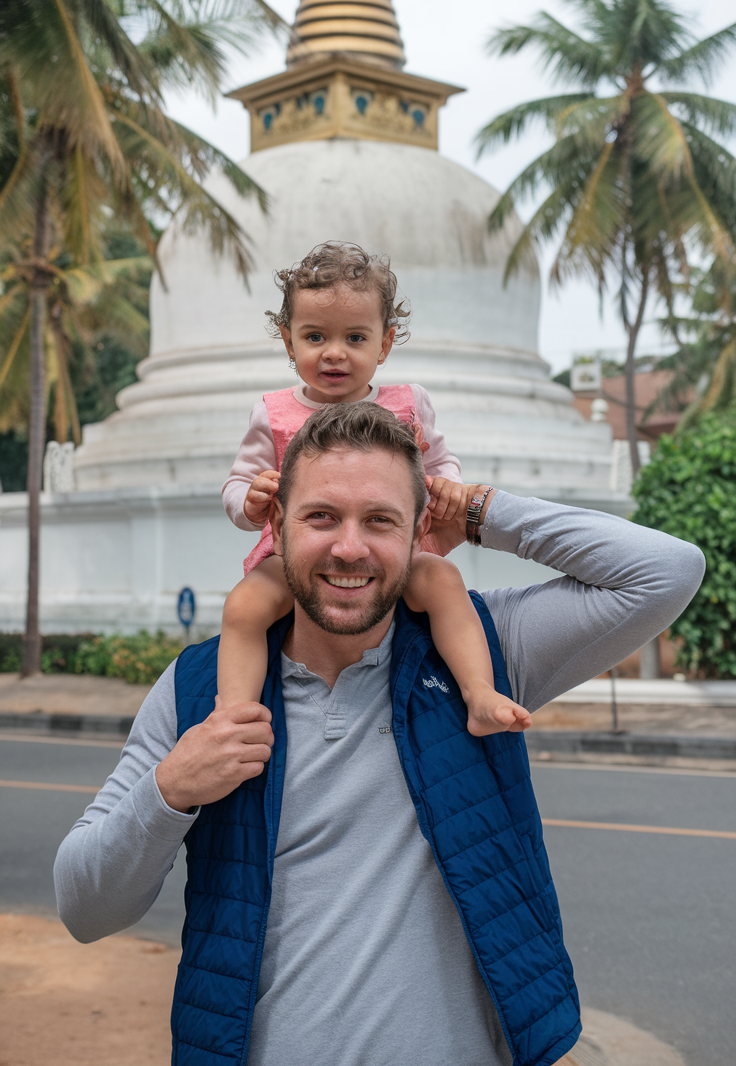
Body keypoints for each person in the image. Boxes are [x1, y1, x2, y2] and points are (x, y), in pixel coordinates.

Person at [55, 401, 705, 1066]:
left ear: (419, 528)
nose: (349, 547)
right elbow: (84, 908)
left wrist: (479, 511)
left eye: (380, 520)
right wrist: (170, 788)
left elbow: (667, 570)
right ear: (276, 524)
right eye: (321, 517)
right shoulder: (202, 691)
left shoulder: (482, 652)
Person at [220, 240, 530, 736]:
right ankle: (233, 716)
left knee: (446, 586)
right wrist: (251, 500)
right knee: (244, 606)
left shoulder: (409, 404)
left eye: (356, 338)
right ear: (288, 341)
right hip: (297, 554)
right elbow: (237, 484)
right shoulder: (274, 413)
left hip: (396, 548)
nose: (334, 353)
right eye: (315, 336)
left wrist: (447, 487)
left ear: (384, 344)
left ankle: (479, 693)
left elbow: (439, 461)